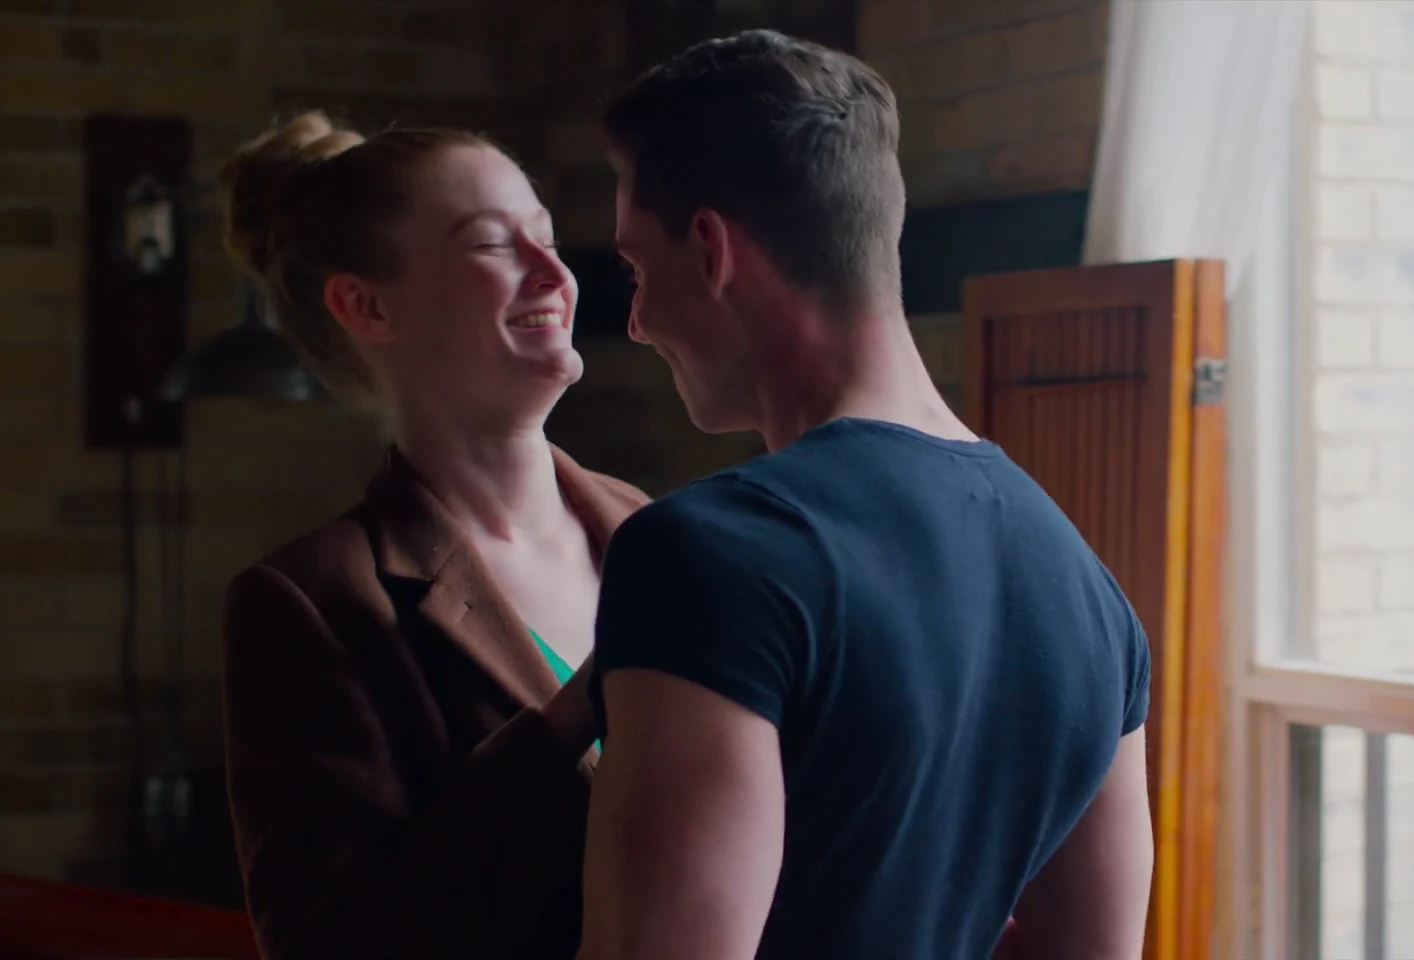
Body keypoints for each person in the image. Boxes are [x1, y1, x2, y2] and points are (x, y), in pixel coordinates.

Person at [579, 30, 1154, 960]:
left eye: (639, 271)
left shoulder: (701, 556)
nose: (638, 322)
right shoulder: (1089, 592)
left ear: (713, 249)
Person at [216, 111, 649, 960]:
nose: (553, 273)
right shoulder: (310, 604)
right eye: (492, 244)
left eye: (546, 237)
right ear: (366, 305)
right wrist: (576, 712)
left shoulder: (650, 528)